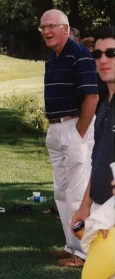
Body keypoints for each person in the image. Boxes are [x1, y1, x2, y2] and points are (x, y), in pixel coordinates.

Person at [39, 9, 99, 267]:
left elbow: (92, 96)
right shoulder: (51, 59)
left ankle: (84, 253)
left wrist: (80, 132)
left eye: (52, 26)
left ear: (65, 28)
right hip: (55, 130)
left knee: (76, 195)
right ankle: (71, 246)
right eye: (43, 27)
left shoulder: (80, 55)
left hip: (74, 128)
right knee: (61, 194)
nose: (47, 31)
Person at [69, 26, 115, 275]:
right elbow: (98, 162)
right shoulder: (105, 106)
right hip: (102, 211)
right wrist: (85, 206)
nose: (104, 59)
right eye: (98, 54)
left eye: (111, 52)